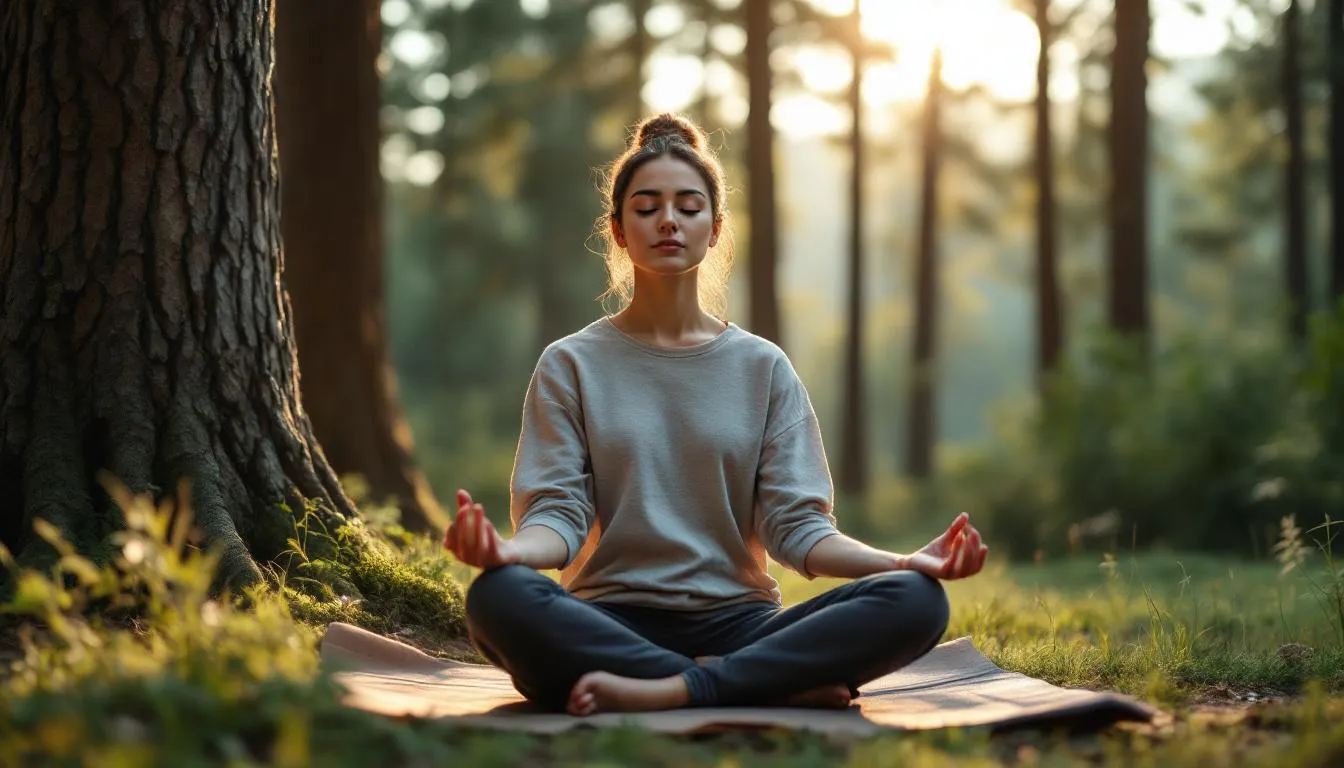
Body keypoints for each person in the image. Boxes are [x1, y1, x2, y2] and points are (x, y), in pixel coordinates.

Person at [443, 113, 988, 717]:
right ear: (618, 231)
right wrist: (506, 553)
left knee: (917, 600)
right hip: (610, 625)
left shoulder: (764, 367)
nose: (668, 221)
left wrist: (905, 561)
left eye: (688, 206)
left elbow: (799, 530)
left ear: (715, 227)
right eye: (646, 207)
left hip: (743, 625)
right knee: (499, 598)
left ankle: (677, 689)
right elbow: (559, 519)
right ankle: (759, 685)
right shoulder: (570, 364)